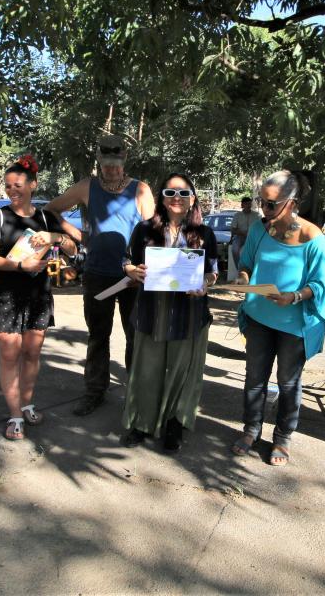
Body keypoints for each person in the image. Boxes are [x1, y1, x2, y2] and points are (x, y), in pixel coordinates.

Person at [230, 170, 325, 466]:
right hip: (259, 318)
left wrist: (294, 296)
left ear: (292, 202)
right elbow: (247, 262)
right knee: (254, 378)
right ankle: (251, 429)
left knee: (288, 382)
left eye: (271, 204)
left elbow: (322, 284)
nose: (264, 210)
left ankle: (283, 438)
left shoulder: (313, 238)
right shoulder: (259, 229)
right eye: (261, 202)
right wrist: (242, 276)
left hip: (293, 324)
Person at [45, 135, 155, 416]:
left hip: (133, 277)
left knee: (136, 337)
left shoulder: (140, 190)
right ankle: (95, 391)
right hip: (97, 274)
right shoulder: (87, 186)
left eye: (116, 165)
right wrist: (77, 235)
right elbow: (51, 209)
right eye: (106, 165)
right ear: (98, 161)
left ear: (125, 159)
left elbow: (153, 235)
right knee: (97, 336)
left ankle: (139, 395)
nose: (111, 170)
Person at [0, 155, 78, 440]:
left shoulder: (46, 217)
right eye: (8, 186)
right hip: (5, 294)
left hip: (38, 293)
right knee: (10, 356)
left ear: (33, 185)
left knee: (32, 354)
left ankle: (27, 404)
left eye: (19, 184)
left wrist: (55, 238)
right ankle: (14, 415)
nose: (13, 190)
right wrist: (20, 265)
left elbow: (72, 248)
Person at [120, 173, 218, 451]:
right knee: (146, 371)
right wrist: (131, 270)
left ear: (193, 199)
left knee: (181, 373)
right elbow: (126, 262)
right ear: (161, 198)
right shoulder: (144, 230)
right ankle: (140, 424)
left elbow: (212, 272)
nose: (177, 199)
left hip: (188, 315)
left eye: (183, 193)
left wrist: (205, 284)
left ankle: (174, 425)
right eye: (170, 193)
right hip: (151, 312)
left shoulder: (205, 234)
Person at [228, 196, 261, 281]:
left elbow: (262, 228)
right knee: (234, 249)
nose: (248, 205)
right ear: (242, 205)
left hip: (253, 237)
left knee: (258, 251)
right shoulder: (237, 215)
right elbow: (233, 229)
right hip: (240, 236)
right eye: (246, 203)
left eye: (249, 203)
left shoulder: (257, 215)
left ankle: (255, 272)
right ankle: (240, 271)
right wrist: (243, 233)